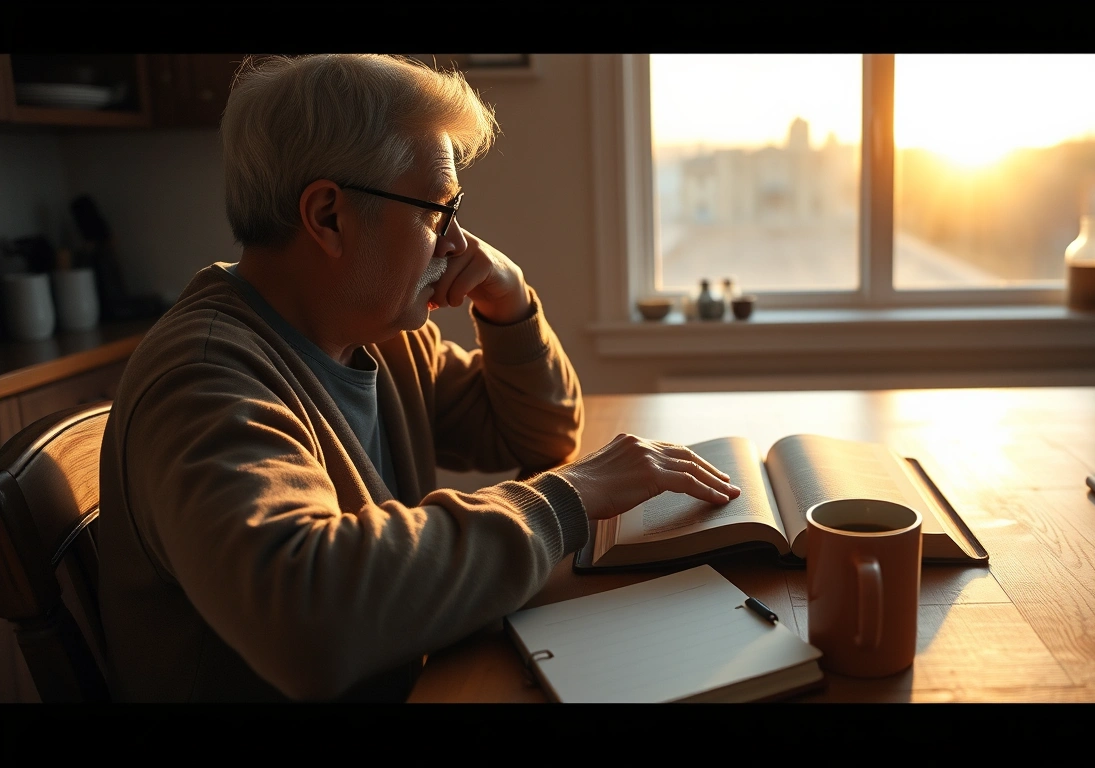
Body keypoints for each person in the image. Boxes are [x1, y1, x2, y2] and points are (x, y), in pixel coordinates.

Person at [96, 53, 741, 702]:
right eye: (438, 210)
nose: (458, 242)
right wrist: (567, 498)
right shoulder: (205, 381)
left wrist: (509, 301)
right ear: (328, 217)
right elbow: (307, 620)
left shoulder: (369, 337)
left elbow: (536, 434)